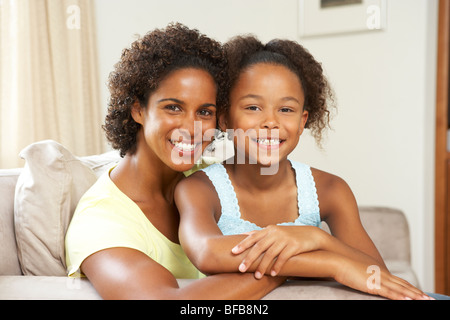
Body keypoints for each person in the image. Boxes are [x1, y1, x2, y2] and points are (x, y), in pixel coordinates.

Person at [174, 35, 433, 300]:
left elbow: (377, 277)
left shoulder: (331, 189)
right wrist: (331, 263)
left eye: (286, 109)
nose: (271, 122)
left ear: (302, 121)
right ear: (225, 118)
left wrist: (317, 238)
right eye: (253, 107)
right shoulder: (198, 188)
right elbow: (208, 252)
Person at [64, 24, 285, 299]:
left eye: (205, 112)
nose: (191, 128)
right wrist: (285, 265)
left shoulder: (213, 179)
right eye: (173, 107)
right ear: (137, 109)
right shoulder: (100, 223)